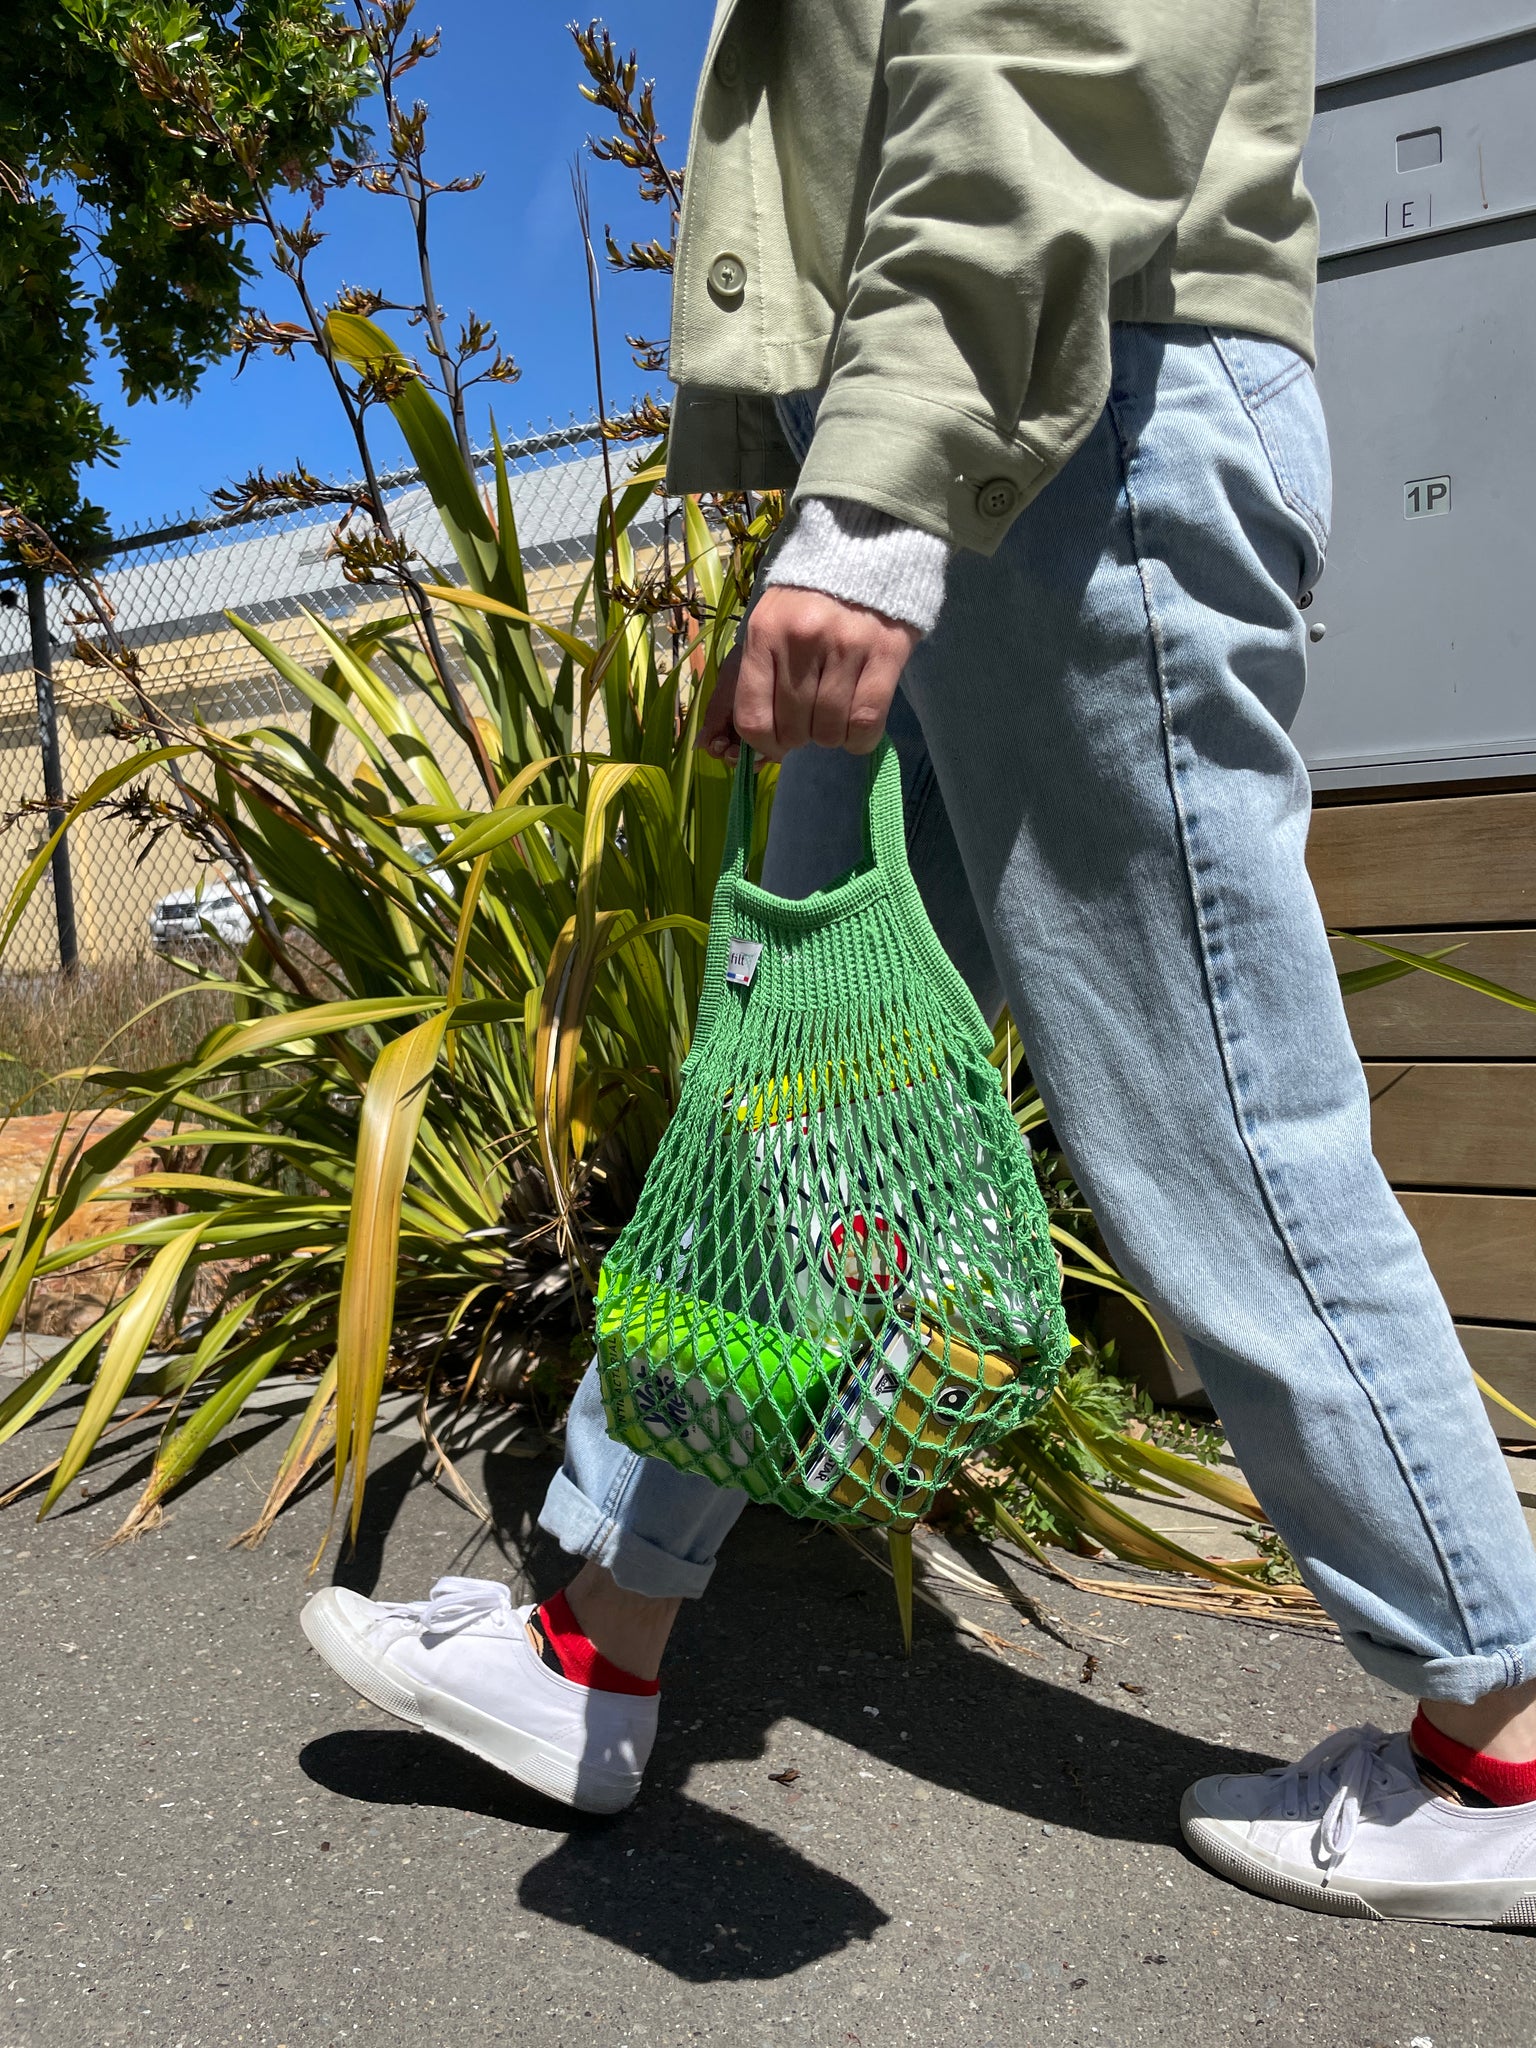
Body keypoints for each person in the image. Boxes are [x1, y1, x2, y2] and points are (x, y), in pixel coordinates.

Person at [302, 0, 1536, 1923]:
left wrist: (880, 488)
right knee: (790, 1087)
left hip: (1067, 414)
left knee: (1213, 1106)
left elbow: (1057, 39)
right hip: (1005, 424)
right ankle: (593, 1647)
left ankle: (1506, 1732)